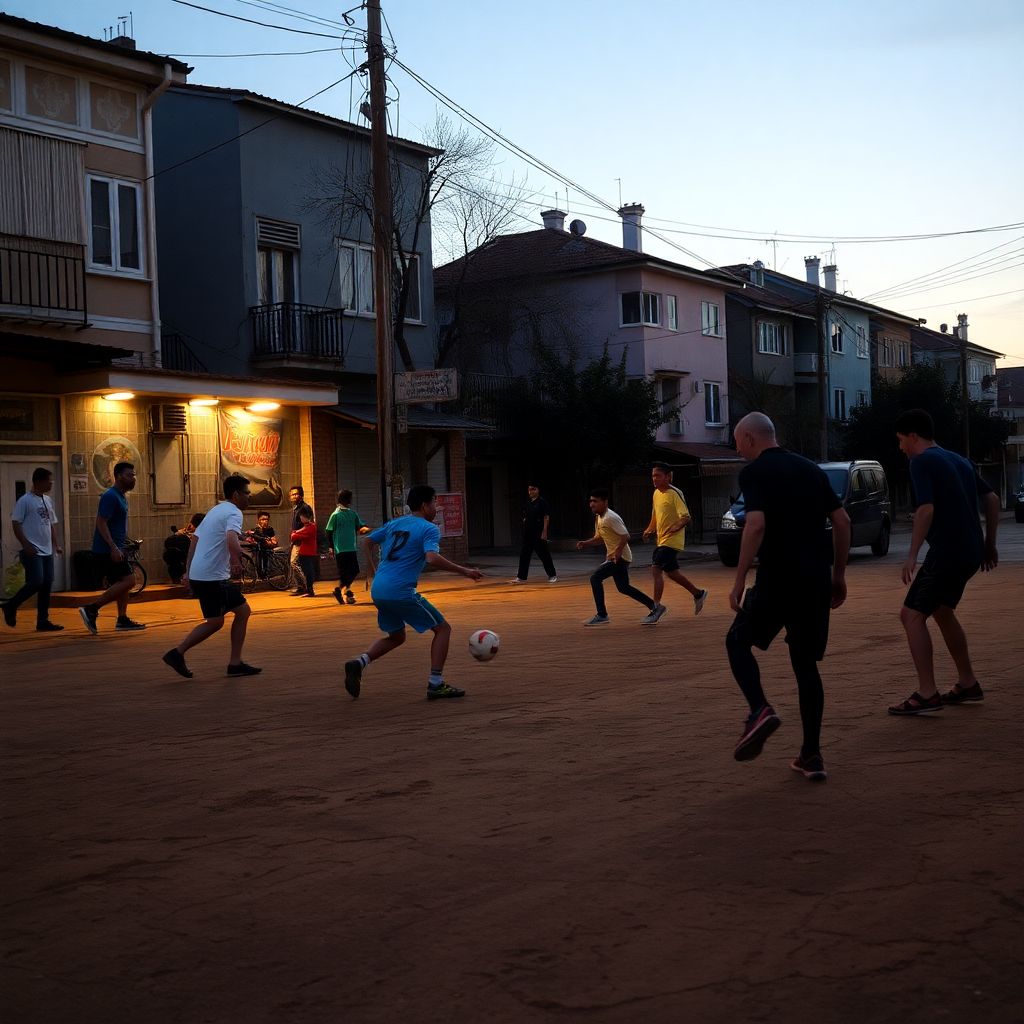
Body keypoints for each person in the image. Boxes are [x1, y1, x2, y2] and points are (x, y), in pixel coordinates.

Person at [726, 412, 850, 781]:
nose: (737, 449)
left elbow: (756, 525)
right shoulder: (812, 469)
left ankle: (759, 709)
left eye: (738, 441)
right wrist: (838, 575)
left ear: (750, 438)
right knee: (805, 665)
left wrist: (738, 579)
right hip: (815, 581)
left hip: (778, 578)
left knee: (736, 641)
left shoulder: (754, 472)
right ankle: (811, 755)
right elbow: (842, 522)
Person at [888, 408, 999, 715]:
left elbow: (926, 509)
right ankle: (968, 682)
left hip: (948, 552)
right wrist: (989, 544)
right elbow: (992, 499)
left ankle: (927, 693)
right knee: (942, 610)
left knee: (910, 615)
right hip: (970, 551)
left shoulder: (921, 461)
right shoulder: (959, 460)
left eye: (901, 440)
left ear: (913, 436)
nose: (901, 448)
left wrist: (912, 555)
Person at [343, 484, 483, 701]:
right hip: (400, 591)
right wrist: (465, 571)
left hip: (379, 590)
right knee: (443, 629)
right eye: (434, 502)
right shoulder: (429, 528)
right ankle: (436, 683)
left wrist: (372, 570)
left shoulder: (396, 523)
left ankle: (359, 662)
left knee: (397, 636)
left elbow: (367, 541)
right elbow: (432, 558)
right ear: (425, 505)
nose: (436, 507)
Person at [162, 474, 261, 679]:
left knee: (219, 620)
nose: (249, 497)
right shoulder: (234, 512)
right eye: (247, 493)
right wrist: (236, 560)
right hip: (213, 577)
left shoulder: (216, 510)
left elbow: (194, 541)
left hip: (202, 575)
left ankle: (181, 654)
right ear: (236, 494)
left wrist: (189, 571)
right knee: (237, 614)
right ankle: (183, 653)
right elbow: (231, 538)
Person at [78, 461, 145, 634]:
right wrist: (113, 547)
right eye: (129, 475)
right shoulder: (110, 496)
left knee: (122, 583)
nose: (133, 478)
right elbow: (101, 522)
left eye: (134, 475)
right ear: (118, 476)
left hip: (117, 548)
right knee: (129, 581)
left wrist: (124, 544)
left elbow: (116, 525)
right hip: (106, 551)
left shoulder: (121, 497)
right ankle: (92, 608)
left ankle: (122, 619)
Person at [576, 488, 657, 626]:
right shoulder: (599, 518)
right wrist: (586, 543)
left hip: (620, 558)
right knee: (623, 587)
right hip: (617, 558)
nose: (592, 504)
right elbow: (600, 538)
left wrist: (618, 551)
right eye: (590, 501)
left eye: (595, 501)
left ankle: (602, 615)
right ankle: (654, 606)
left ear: (605, 502)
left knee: (595, 578)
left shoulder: (610, 517)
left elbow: (626, 535)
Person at [641, 463, 708, 621]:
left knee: (656, 569)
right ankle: (698, 593)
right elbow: (655, 516)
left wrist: (674, 528)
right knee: (672, 573)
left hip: (672, 540)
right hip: (661, 540)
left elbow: (685, 516)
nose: (654, 479)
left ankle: (656, 607)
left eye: (658, 476)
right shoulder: (656, 493)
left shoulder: (675, 493)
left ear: (668, 477)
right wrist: (649, 529)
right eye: (653, 476)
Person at [4, 467, 63, 632]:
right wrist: (26, 544)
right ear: (39, 482)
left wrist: (56, 545)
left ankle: (42, 621)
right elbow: (16, 523)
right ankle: (11, 605)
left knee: (47, 583)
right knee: (36, 581)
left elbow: (50, 524)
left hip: (47, 550)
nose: (51, 484)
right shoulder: (25, 501)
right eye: (48, 481)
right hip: (32, 549)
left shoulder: (47, 500)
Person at [325, 489, 370, 605]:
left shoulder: (352, 514)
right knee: (344, 572)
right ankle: (345, 591)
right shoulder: (335, 515)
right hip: (340, 548)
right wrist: (331, 547)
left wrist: (364, 528)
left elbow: (359, 526)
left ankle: (341, 590)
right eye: (349, 498)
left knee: (354, 570)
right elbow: (329, 531)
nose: (351, 500)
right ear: (345, 499)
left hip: (351, 547)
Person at [510, 482, 557, 584]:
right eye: (529, 489)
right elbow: (525, 515)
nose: (531, 491)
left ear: (538, 490)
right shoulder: (528, 503)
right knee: (524, 555)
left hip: (538, 532)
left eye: (533, 489)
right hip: (528, 533)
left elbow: (546, 517)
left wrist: (544, 532)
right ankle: (521, 577)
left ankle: (552, 575)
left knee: (544, 554)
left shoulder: (542, 502)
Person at [162, 513, 205, 584]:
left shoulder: (195, 534)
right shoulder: (200, 532)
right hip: (185, 553)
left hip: (184, 553)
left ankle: (178, 579)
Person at [290, 505, 319, 598]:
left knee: (308, 572)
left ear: (305, 516)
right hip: (305, 552)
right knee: (307, 571)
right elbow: (297, 532)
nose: (300, 518)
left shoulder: (311, 527)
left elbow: (295, 535)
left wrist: (295, 534)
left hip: (307, 553)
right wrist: (295, 533)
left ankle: (309, 590)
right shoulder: (309, 526)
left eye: (301, 516)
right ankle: (308, 589)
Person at [287, 485, 310, 594]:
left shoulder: (304, 508)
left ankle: (306, 586)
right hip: (296, 540)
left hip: (302, 540)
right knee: (297, 563)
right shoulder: (296, 508)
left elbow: (308, 525)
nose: (294, 496)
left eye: (296, 494)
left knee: (294, 562)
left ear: (301, 495)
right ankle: (301, 587)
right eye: (292, 494)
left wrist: (297, 533)